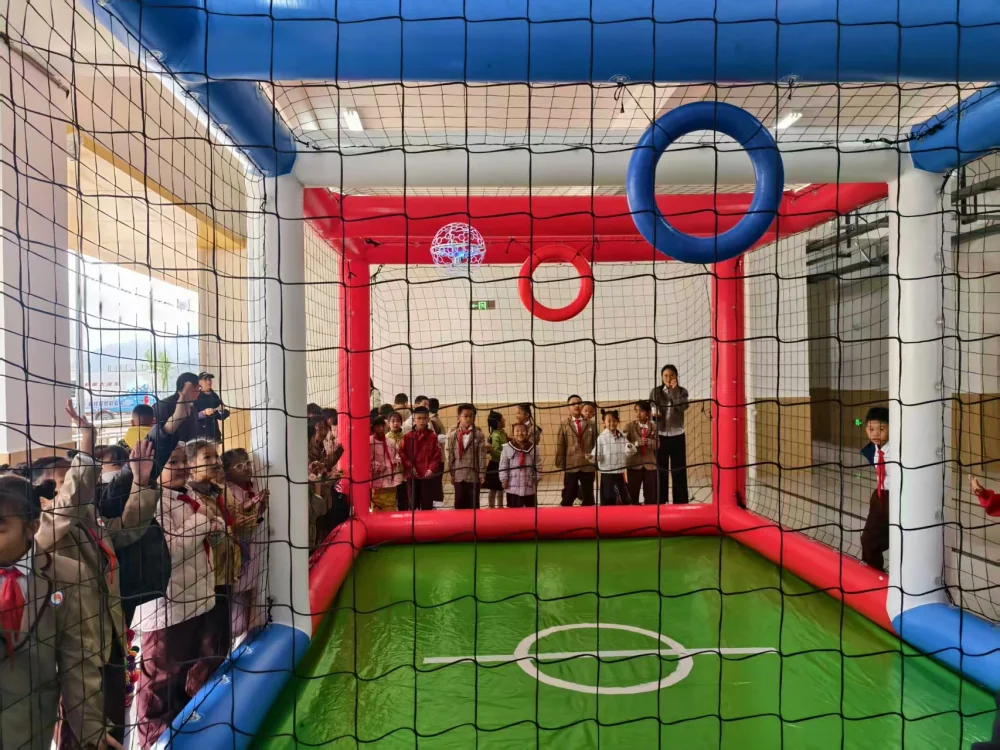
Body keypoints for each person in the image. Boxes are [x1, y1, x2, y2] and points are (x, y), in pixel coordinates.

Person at [36, 448, 157, 745]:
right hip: (76, 659)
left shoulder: (87, 521)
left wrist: (141, 484)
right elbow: (69, 505)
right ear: (39, 497)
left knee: (114, 728)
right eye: (62, 484)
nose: (75, 489)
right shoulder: (41, 530)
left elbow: (127, 530)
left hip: (109, 640)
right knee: (82, 735)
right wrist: (86, 453)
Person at [0, 474, 119, 749]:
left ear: (32, 527)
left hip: (27, 727)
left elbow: (77, 659)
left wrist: (92, 731)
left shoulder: (65, 575)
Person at [133, 442, 226, 748]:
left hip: (198, 599)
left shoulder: (188, 495)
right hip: (168, 610)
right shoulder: (151, 503)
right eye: (173, 461)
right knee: (160, 686)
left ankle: (187, 733)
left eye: (184, 460)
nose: (183, 466)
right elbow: (171, 548)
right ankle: (154, 742)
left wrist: (214, 525)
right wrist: (203, 521)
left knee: (191, 674)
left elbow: (217, 527)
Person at [222, 447, 269, 637]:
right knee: (236, 609)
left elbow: (254, 520)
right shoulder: (228, 491)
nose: (246, 468)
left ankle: (243, 637)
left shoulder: (251, 487)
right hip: (237, 555)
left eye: (248, 463)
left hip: (251, 552)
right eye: (239, 466)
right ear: (227, 472)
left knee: (248, 596)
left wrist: (261, 508)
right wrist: (250, 508)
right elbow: (238, 521)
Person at [649, 364, 690, 505]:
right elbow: (651, 407)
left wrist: (674, 391)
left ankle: (681, 501)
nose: (668, 378)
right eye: (665, 375)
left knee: (679, 469)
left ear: (676, 376)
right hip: (660, 436)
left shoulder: (682, 391)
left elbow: (682, 407)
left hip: (677, 435)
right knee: (661, 469)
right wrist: (654, 414)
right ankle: (661, 500)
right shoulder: (655, 392)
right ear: (661, 377)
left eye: (671, 375)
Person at [859, 406, 891, 571]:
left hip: (900, 498)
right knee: (868, 541)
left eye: (882, 429)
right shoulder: (872, 450)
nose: (876, 433)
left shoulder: (899, 450)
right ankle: (874, 576)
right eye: (871, 429)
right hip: (880, 496)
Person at [555, 395, 597, 506]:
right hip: (571, 464)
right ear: (568, 407)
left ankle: (589, 514)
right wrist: (561, 463)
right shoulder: (564, 424)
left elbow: (596, 443)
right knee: (569, 493)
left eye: (579, 403)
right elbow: (561, 444)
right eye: (573, 404)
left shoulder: (592, 424)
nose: (576, 405)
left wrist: (596, 460)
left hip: (587, 464)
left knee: (588, 494)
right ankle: (566, 513)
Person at [446, 404, 489, 510]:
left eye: (471, 416)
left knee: (473, 504)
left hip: (473, 475)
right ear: (459, 417)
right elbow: (451, 456)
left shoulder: (479, 435)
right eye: (465, 416)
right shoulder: (453, 435)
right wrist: (452, 473)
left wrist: (482, 473)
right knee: (459, 503)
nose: (468, 419)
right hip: (459, 475)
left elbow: (481, 456)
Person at [400, 406, 443, 511]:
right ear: (414, 419)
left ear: (428, 419)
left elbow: (437, 455)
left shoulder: (432, 436)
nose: (422, 421)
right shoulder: (408, 436)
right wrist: (410, 466)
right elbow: (402, 453)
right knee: (412, 503)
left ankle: (427, 521)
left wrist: (431, 469)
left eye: (424, 418)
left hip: (427, 475)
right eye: (419, 418)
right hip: (412, 475)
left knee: (427, 503)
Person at [592, 409, 634, 506]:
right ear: (604, 422)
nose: (612, 423)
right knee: (608, 498)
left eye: (614, 421)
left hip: (620, 473)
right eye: (609, 421)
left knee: (623, 499)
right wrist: (594, 457)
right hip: (607, 474)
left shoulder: (622, 436)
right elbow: (597, 453)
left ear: (618, 421)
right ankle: (607, 514)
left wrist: (630, 446)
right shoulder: (601, 438)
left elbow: (629, 451)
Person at [499, 421, 541, 508]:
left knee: (530, 511)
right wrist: (504, 479)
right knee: (514, 511)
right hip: (512, 487)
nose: (520, 433)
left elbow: (538, 464)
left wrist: (537, 477)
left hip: (529, 486)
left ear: (527, 432)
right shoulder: (507, 448)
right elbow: (503, 465)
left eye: (523, 431)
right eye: (517, 431)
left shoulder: (534, 448)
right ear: (513, 433)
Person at [626, 400, 659, 505]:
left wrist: (649, 442)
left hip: (650, 465)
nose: (638, 413)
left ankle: (650, 513)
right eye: (636, 411)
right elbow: (624, 444)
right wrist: (636, 443)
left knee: (651, 496)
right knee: (632, 495)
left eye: (641, 411)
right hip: (634, 464)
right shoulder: (629, 426)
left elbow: (658, 444)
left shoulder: (654, 426)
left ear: (648, 413)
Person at [152, 373, 202, 442]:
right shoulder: (163, 405)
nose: (199, 392)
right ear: (188, 387)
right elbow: (155, 434)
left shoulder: (191, 405)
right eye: (198, 388)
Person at [370, 417, 402, 512]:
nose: (380, 429)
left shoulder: (391, 442)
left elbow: (397, 454)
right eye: (377, 427)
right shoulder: (370, 442)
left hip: (390, 479)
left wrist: (397, 460)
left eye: (382, 426)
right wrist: (377, 466)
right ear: (373, 428)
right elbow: (367, 460)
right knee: (377, 505)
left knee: (391, 504)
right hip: (377, 479)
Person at [194, 372, 229, 441]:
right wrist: (203, 413)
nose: (208, 382)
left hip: (214, 434)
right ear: (199, 382)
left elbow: (222, 416)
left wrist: (221, 411)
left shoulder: (215, 396)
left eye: (210, 379)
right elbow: (192, 416)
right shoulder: (196, 397)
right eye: (205, 380)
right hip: (201, 435)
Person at [485, 410, 508, 509]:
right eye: (503, 419)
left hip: (502, 464)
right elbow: (494, 451)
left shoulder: (501, 432)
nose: (505, 420)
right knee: (493, 489)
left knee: (500, 489)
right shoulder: (495, 435)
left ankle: (500, 507)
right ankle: (491, 508)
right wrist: (505, 455)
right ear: (498, 423)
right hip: (496, 465)